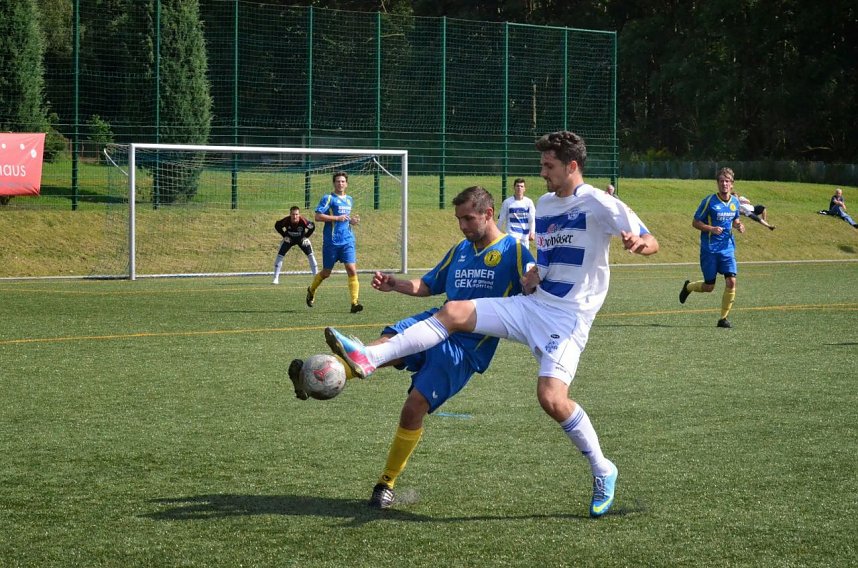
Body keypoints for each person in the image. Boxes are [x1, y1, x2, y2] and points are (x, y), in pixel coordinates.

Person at [324, 130, 659, 518]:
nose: (542, 173)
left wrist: (639, 244)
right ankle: (368, 356)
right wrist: (537, 274)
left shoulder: (599, 203)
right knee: (454, 311)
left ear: (571, 166)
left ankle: (603, 468)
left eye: (548, 166)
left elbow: (650, 239)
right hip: (533, 304)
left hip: (568, 318)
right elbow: (548, 255)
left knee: (551, 399)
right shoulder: (546, 204)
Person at [288, 186, 534, 509]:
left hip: (465, 348)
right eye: (458, 219)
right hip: (436, 320)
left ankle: (386, 482)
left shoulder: (514, 251)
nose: (462, 226)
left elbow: (533, 286)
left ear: (488, 215)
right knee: (387, 344)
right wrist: (396, 285)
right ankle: (321, 375)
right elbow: (430, 284)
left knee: (413, 406)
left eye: (468, 219)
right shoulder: (459, 250)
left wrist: (537, 282)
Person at [679, 167, 746, 328]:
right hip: (709, 249)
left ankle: (723, 318)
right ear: (717, 183)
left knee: (731, 281)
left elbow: (735, 219)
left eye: (727, 181)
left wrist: (739, 225)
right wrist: (711, 229)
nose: (724, 184)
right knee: (709, 287)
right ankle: (688, 287)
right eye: (721, 181)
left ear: (732, 184)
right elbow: (695, 222)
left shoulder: (735, 202)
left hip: (727, 249)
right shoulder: (709, 201)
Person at [306, 171, 363, 313]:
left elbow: (346, 218)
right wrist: (337, 218)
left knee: (351, 269)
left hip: (347, 241)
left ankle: (354, 303)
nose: (340, 183)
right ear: (334, 183)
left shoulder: (349, 199)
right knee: (326, 273)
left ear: (347, 184)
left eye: (343, 181)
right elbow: (318, 216)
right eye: (338, 181)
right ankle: (311, 290)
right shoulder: (328, 198)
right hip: (331, 242)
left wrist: (352, 221)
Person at [272, 206, 318, 284]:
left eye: (296, 214)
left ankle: (316, 277)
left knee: (310, 255)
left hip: (301, 240)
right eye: (293, 214)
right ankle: (275, 278)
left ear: (299, 215)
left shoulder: (303, 221)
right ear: (290, 214)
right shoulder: (286, 220)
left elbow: (312, 226)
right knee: (280, 255)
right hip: (289, 240)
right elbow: (277, 225)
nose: (295, 216)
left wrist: (306, 237)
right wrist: (284, 236)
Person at [496, 177, 535, 246]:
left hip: (524, 238)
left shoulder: (529, 202)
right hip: (512, 237)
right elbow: (501, 219)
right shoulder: (507, 202)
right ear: (514, 187)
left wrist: (532, 232)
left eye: (521, 186)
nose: (519, 188)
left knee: (524, 257)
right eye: (517, 186)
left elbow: (532, 219)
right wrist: (496, 234)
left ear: (524, 189)